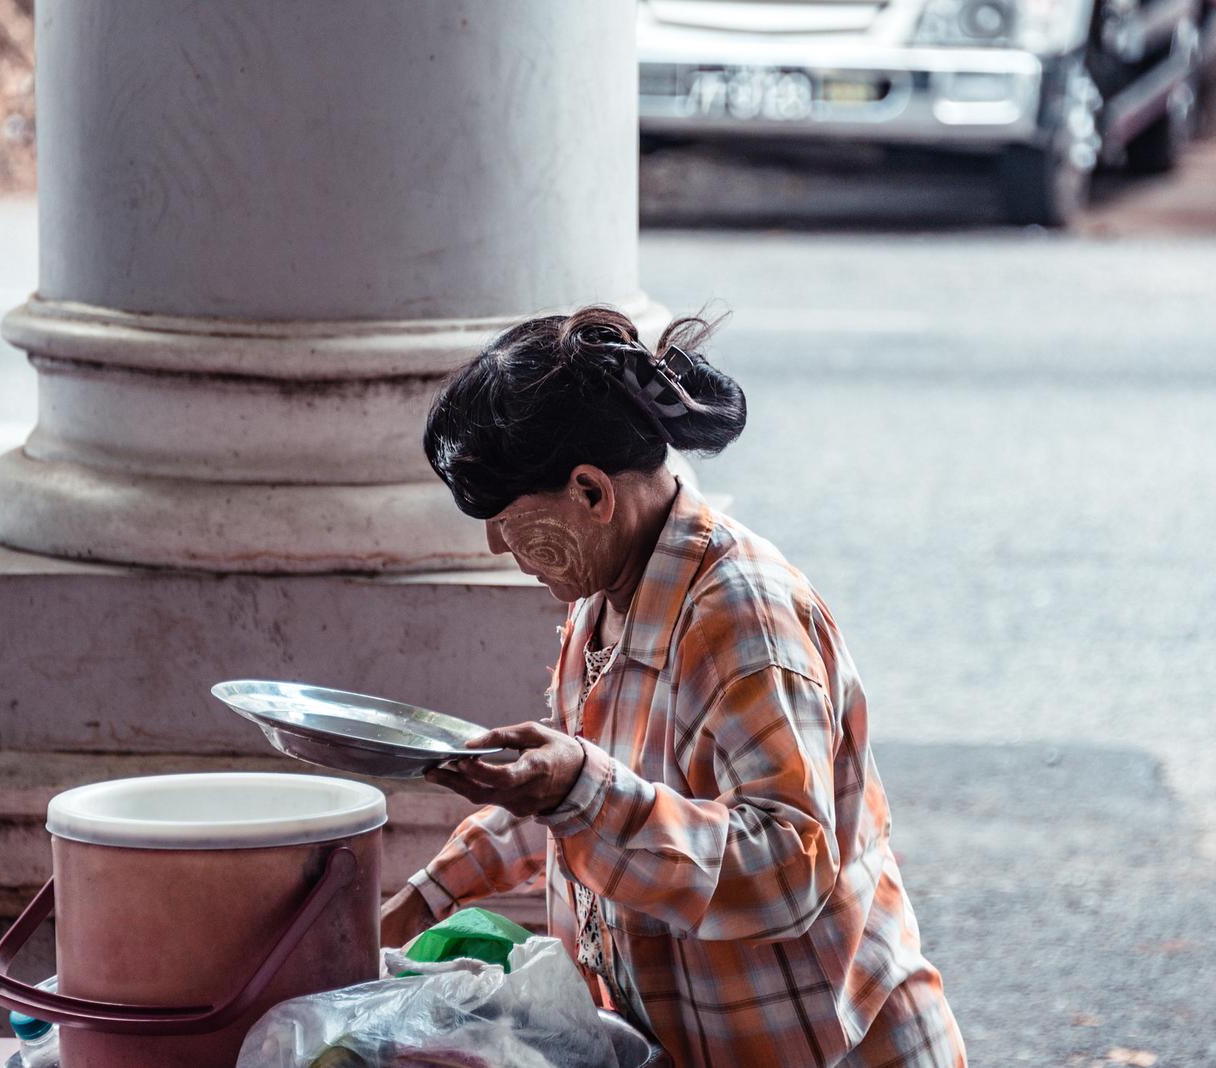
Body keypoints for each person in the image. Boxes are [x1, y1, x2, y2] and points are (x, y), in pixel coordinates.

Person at [381, 306, 965, 1068]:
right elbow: (575, 803)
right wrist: (425, 897)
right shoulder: (604, 599)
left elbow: (790, 868)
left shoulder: (741, 616)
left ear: (592, 494)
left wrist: (578, 789)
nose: (494, 541)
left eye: (503, 517)